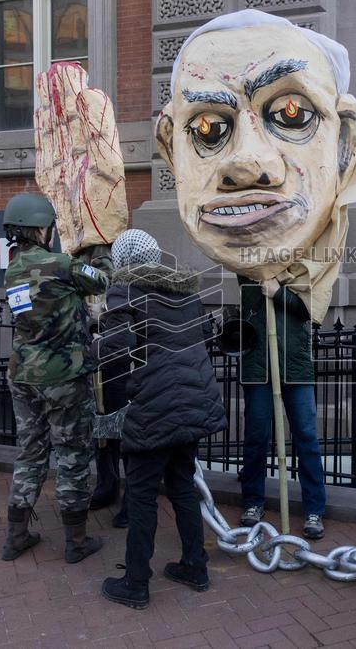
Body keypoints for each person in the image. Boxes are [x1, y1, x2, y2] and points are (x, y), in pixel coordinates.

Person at [98, 230, 227, 610]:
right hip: (192, 404)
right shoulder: (185, 294)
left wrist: (98, 329)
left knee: (140, 497)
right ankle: (194, 566)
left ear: (122, 262)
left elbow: (117, 352)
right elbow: (204, 338)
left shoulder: (124, 293)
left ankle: (136, 583)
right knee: (182, 486)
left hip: (154, 409)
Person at [0, 194, 107, 564]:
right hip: (62, 377)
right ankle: (76, 542)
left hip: (23, 374)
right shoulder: (61, 264)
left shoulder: (12, 270)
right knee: (72, 454)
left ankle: (16, 536)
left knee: (30, 452)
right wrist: (98, 250)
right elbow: (101, 281)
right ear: (39, 229)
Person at [237, 273, 328, 540]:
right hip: (258, 365)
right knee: (256, 435)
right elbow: (242, 274)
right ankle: (253, 501)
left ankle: (314, 508)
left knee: (306, 437)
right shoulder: (252, 266)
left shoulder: (304, 269)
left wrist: (279, 292)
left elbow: (309, 310)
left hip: (296, 366)